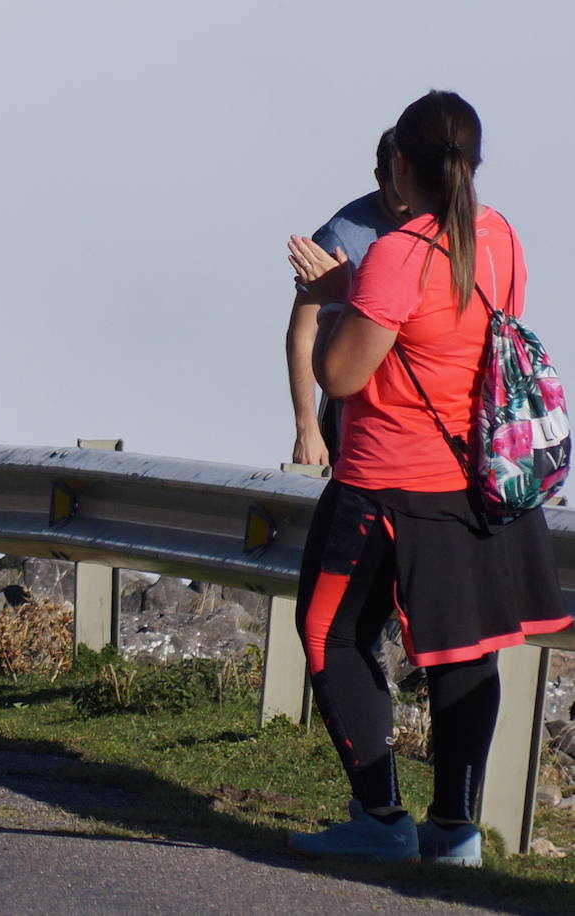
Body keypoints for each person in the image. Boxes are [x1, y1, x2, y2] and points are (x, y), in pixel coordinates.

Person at [285, 91, 571, 866]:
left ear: (400, 165)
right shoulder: (498, 236)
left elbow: (340, 376)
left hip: (383, 484)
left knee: (330, 636)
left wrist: (328, 301)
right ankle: (455, 834)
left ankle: (380, 818)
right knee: (463, 652)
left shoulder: (397, 253)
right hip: (476, 483)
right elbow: (454, 327)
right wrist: (359, 293)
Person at [285, 130, 409, 466]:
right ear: (380, 177)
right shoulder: (342, 236)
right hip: (356, 410)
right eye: (397, 188)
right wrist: (307, 428)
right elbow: (304, 332)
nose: (407, 200)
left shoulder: (444, 224)